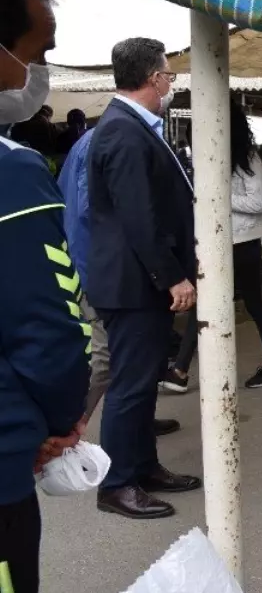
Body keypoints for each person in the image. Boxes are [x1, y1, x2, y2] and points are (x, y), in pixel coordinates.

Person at [0, 0, 91, 593]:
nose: (37, 78)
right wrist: (56, 422)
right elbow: (52, 330)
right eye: (37, 56)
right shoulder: (14, 174)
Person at [88, 37, 200, 519]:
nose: (170, 84)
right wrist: (172, 277)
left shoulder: (130, 127)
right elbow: (139, 218)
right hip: (133, 285)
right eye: (169, 77)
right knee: (130, 388)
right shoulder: (123, 132)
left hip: (138, 283)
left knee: (141, 384)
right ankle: (116, 484)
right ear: (154, 79)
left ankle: (144, 466)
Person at [58, 107, 182, 438]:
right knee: (107, 359)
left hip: (94, 262)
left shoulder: (92, 141)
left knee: (130, 361)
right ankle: (66, 430)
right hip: (97, 268)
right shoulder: (112, 139)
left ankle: (138, 421)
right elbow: (101, 214)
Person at [163, 99, 262, 394]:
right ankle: (180, 370)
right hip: (215, 240)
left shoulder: (248, 158)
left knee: (255, 304)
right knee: (204, 299)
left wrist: (215, 197)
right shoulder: (211, 158)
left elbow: (257, 204)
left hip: (243, 243)